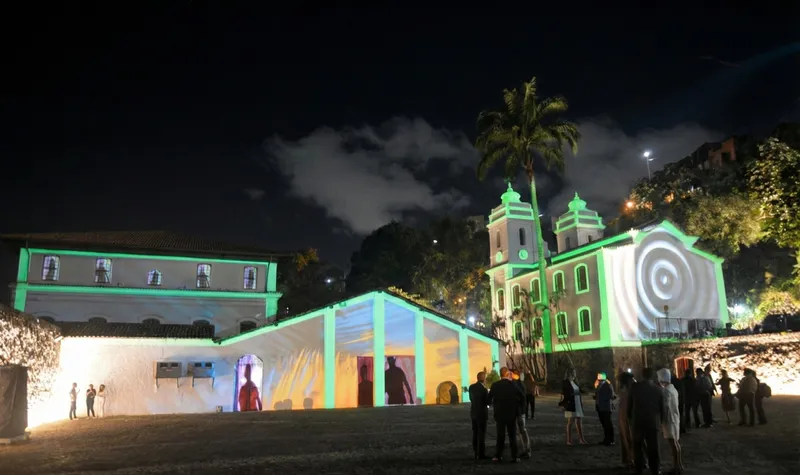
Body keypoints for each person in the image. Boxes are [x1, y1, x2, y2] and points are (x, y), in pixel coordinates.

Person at [628, 367, 664, 475]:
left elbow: (630, 405)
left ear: (642, 375)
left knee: (637, 446)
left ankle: (638, 467)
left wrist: (630, 419)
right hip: (652, 422)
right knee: (653, 447)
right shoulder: (658, 389)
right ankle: (655, 469)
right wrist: (661, 421)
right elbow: (662, 408)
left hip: (638, 421)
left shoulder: (635, 388)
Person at [487, 367, 523, 463]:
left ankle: (498, 455)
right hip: (511, 413)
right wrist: (518, 407)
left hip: (499, 413)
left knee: (500, 435)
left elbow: (489, 398)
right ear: (507, 374)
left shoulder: (495, 385)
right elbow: (522, 395)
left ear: (500, 374)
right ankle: (515, 456)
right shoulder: (512, 385)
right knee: (512, 435)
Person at [658, 368, 684, 475]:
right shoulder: (673, 389)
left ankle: (676, 466)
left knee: (673, 443)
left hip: (669, 419)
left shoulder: (666, 391)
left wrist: (662, 420)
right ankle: (679, 464)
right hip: (675, 418)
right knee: (676, 442)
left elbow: (665, 407)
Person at [560, 368, 588, 445]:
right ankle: (568, 440)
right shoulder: (566, 382)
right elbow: (564, 393)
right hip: (571, 404)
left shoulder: (575, 382)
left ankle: (581, 439)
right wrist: (563, 404)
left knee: (579, 421)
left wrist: (583, 391)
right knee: (570, 422)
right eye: (574, 372)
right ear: (570, 373)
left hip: (577, 403)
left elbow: (578, 390)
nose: (575, 374)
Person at [468, 371, 490, 461]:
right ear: (483, 379)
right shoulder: (484, 389)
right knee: (481, 434)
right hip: (482, 414)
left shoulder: (471, 387)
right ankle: (481, 453)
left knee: (475, 433)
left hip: (474, 413)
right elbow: (487, 401)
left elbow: (470, 398)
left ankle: (475, 452)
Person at [617, 372, 636, 469]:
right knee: (628, 438)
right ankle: (630, 459)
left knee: (627, 438)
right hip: (626, 418)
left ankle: (629, 459)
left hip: (624, 417)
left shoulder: (624, 391)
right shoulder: (626, 392)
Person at [511, 371, 531, 458]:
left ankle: (524, 449)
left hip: (518, 411)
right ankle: (525, 449)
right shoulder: (520, 384)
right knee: (522, 430)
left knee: (520, 430)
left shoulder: (516, 384)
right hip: (520, 411)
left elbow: (521, 397)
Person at [593, 372, 616, 446]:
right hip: (600, 406)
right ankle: (606, 438)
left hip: (606, 407)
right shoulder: (599, 385)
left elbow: (612, 395)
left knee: (607, 423)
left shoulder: (608, 385)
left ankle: (610, 439)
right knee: (604, 423)